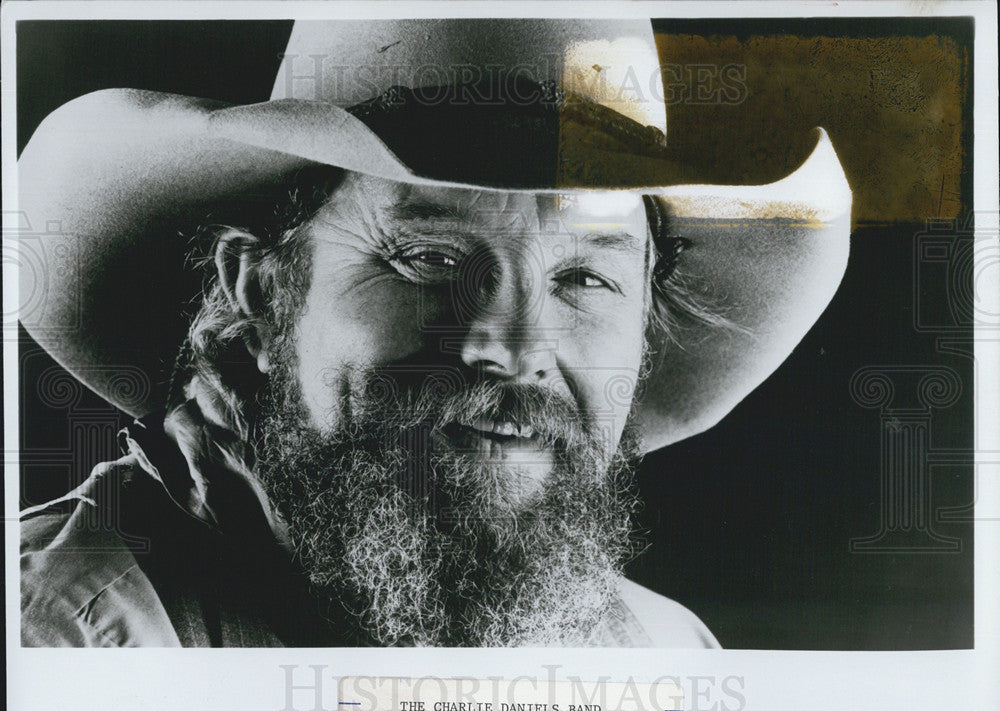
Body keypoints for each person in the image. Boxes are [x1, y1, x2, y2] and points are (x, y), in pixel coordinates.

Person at [18, 18, 852, 647]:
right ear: (261, 291)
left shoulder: (662, 655)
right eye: (426, 257)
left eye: (584, 278)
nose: (514, 346)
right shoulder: (68, 644)